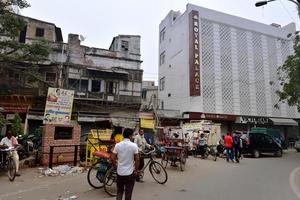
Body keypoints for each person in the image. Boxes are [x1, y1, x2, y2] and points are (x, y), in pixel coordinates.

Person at [111, 128, 139, 200]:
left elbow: (112, 158)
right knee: (128, 193)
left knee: (119, 192)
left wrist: (115, 167)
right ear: (130, 136)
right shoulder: (134, 146)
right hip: (130, 173)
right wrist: (136, 171)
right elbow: (137, 159)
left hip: (120, 172)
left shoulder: (117, 145)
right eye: (132, 136)